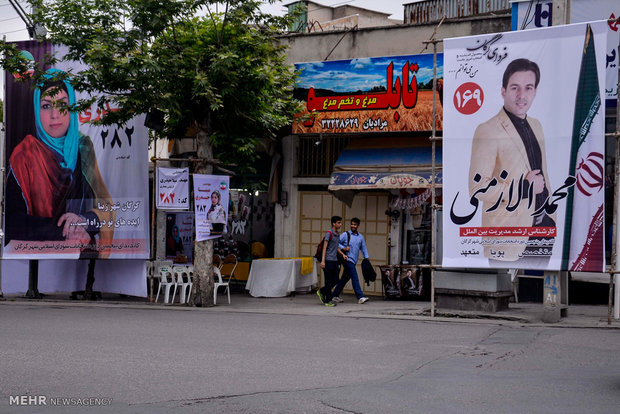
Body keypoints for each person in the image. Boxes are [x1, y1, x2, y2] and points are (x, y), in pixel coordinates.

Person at [5, 68, 115, 258]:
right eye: (47, 106)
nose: (55, 115)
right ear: (37, 110)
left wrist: (83, 222)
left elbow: (106, 207)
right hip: (39, 262)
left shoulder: (84, 147)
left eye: (62, 105)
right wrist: (65, 231)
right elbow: (11, 221)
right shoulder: (25, 154)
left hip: (82, 260)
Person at [468, 58, 556, 263]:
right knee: (512, 294)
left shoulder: (536, 125)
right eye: (515, 87)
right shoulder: (488, 130)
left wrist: (550, 217)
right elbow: (477, 187)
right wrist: (524, 188)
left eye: (528, 88)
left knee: (539, 294)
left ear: (535, 92)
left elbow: (543, 174)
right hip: (508, 236)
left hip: (543, 227)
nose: (521, 95)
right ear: (503, 91)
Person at [331, 217, 370, 304]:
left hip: (354, 260)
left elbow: (363, 248)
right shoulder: (346, 234)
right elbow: (336, 242)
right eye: (352, 224)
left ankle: (334, 295)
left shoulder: (360, 237)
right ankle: (360, 296)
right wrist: (343, 248)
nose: (353, 226)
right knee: (355, 277)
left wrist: (366, 258)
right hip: (347, 259)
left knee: (344, 279)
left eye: (354, 224)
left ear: (358, 226)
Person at [316, 215, 345, 307]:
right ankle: (328, 300)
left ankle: (322, 291)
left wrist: (343, 254)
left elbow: (336, 247)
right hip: (328, 260)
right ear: (334, 223)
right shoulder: (329, 233)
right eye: (339, 223)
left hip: (335, 260)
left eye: (340, 222)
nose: (340, 224)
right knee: (328, 281)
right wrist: (323, 261)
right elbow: (325, 247)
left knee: (336, 279)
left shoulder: (337, 234)